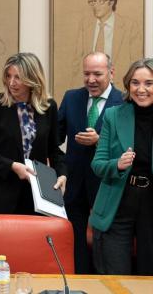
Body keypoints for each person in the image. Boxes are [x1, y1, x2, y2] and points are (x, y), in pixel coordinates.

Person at [0, 52, 66, 214]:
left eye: (18, 78)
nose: (11, 83)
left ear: (33, 79)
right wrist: (12, 166)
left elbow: (53, 150)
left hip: (35, 198)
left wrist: (62, 174)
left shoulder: (48, 107)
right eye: (8, 76)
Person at [58, 51, 123, 274]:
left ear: (111, 73)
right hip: (75, 185)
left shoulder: (123, 102)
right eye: (86, 74)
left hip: (107, 186)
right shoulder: (71, 98)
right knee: (75, 246)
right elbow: (54, 139)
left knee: (106, 246)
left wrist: (100, 142)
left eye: (97, 74)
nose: (91, 80)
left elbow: (128, 148)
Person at [90, 58, 153, 275]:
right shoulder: (113, 115)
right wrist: (117, 164)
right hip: (118, 204)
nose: (141, 89)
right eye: (135, 83)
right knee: (115, 280)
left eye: (149, 83)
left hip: (150, 205)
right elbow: (97, 164)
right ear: (127, 85)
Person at [72, 0, 142, 88]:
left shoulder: (129, 26)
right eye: (93, 2)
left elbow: (136, 64)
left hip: (119, 88)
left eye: (100, 1)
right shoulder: (85, 26)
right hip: (90, 88)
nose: (96, 5)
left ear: (111, 2)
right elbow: (77, 61)